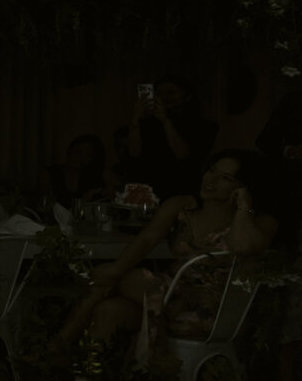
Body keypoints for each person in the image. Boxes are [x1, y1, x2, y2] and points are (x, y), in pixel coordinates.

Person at [51, 148, 279, 359]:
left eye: (226, 178)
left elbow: (242, 247)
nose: (211, 180)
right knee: (110, 308)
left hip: (210, 312)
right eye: (211, 171)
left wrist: (243, 208)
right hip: (167, 298)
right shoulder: (183, 205)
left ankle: (57, 351)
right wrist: (115, 270)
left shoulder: (259, 222)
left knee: (127, 276)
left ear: (243, 187)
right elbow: (147, 240)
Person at [114, 74, 218, 199]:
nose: (164, 97)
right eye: (159, 93)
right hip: (146, 192)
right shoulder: (147, 124)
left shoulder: (203, 126)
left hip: (181, 190)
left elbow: (183, 155)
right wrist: (135, 118)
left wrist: (165, 120)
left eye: (171, 92)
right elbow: (134, 153)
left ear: (188, 96)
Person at [40, 134, 108, 210]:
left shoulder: (91, 178)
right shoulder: (50, 173)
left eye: (88, 155)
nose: (82, 158)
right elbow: (46, 205)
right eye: (78, 152)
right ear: (69, 150)